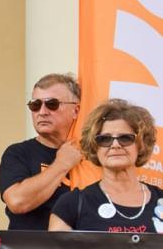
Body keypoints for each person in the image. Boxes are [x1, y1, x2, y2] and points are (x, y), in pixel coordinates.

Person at [49, 99, 163, 232]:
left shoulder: (160, 199)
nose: (115, 145)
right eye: (105, 139)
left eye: (125, 138)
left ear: (141, 144)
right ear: (94, 146)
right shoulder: (70, 204)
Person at [0, 74, 83, 230]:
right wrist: (62, 164)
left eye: (52, 104)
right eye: (35, 105)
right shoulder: (18, 153)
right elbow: (17, 201)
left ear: (76, 110)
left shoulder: (92, 154)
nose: (42, 112)